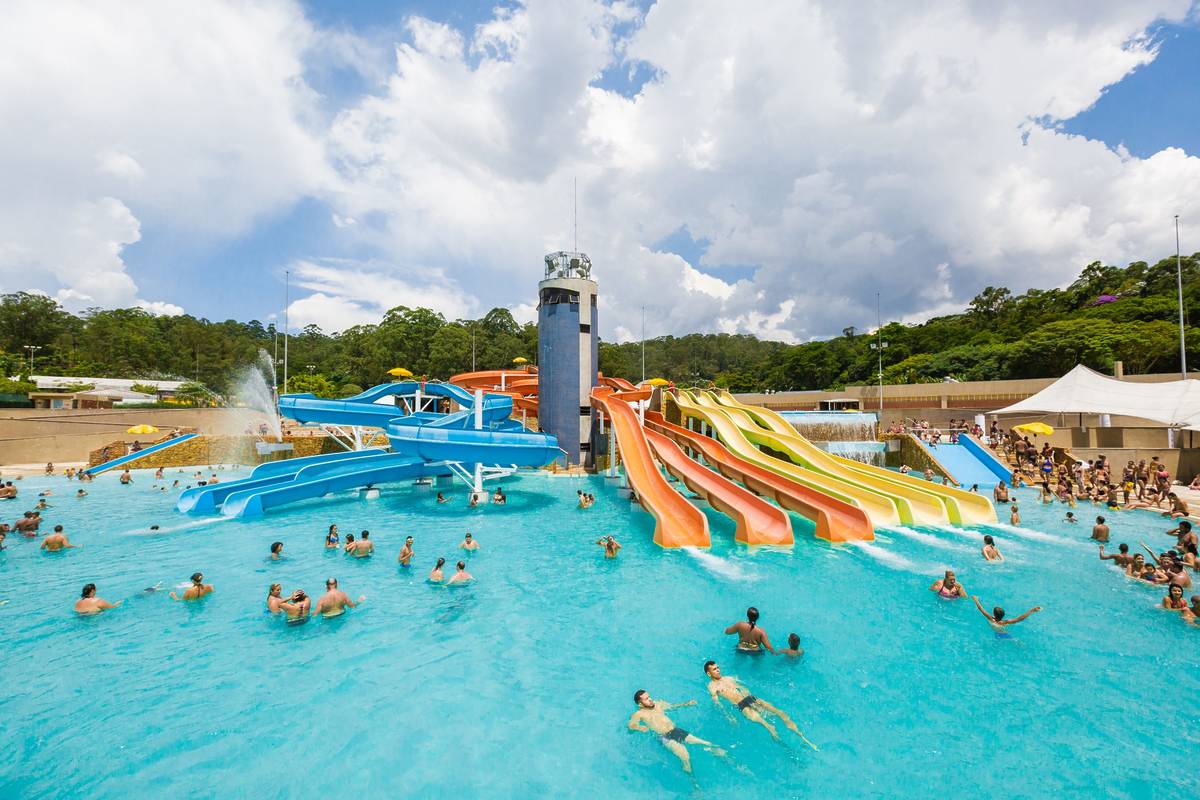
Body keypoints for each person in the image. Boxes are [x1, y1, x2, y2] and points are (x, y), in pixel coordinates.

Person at [704, 661, 816, 748]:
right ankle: (784, 745)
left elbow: (743, 686)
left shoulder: (729, 678)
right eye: (714, 669)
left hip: (752, 698)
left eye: (718, 667)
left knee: (780, 713)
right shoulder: (712, 687)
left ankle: (803, 738)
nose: (718, 670)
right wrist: (729, 716)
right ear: (709, 673)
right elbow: (717, 703)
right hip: (742, 705)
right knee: (768, 725)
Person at [627, 690, 724, 774]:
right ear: (640, 704)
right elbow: (630, 726)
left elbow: (672, 707)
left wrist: (686, 704)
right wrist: (640, 728)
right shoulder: (639, 714)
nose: (650, 699)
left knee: (705, 743)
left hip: (675, 730)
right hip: (664, 737)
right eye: (646, 699)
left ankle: (724, 757)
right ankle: (694, 784)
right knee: (685, 757)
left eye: (649, 696)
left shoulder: (658, 704)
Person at [971, 595, 1041, 637]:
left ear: (994, 614)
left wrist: (976, 599)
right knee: (1013, 641)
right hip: (1004, 633)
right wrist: (1032, 610)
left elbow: (981, 608)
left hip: (997, 634)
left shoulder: (991, 618)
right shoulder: (1005, 622)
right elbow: (1020, 619)